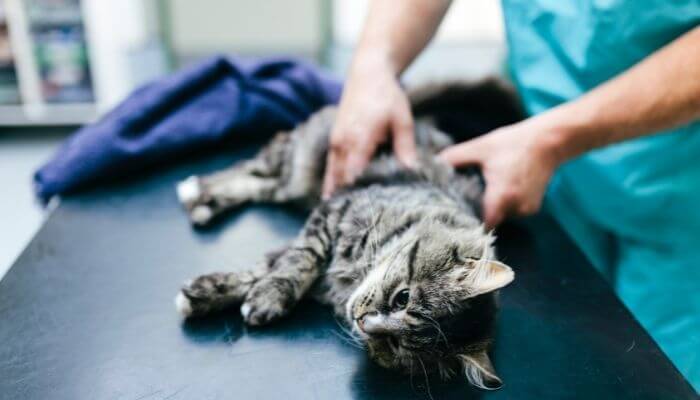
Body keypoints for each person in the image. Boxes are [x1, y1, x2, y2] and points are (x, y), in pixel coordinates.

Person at [322, 0, 700, 390]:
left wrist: (553, 140)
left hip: (679, 183)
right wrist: (373, 65)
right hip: (528, 132)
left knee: (654, 379)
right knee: (554, 363)